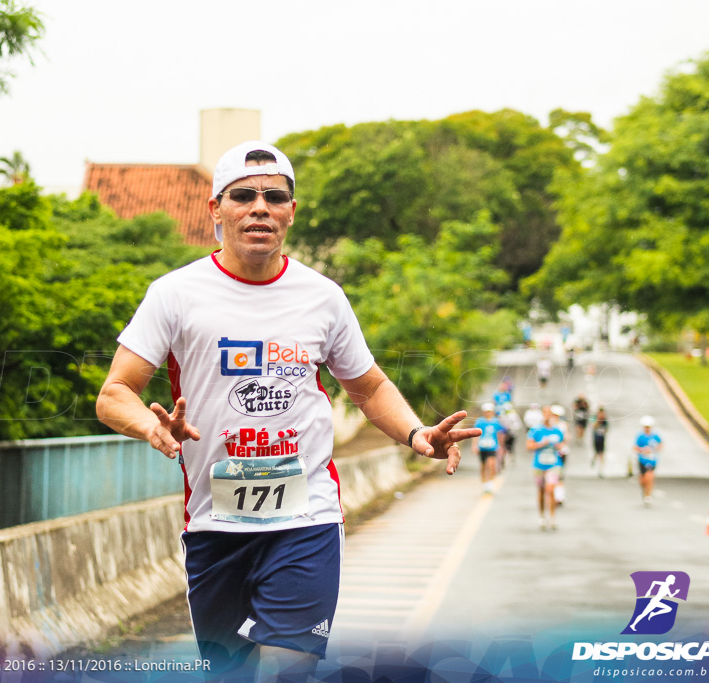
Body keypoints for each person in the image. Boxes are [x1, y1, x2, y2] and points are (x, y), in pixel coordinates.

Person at [95, 141, 480, 681]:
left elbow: (368, 388)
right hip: (215, 525)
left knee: (290, 667)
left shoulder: (323, 297)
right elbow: (114, 394)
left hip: (306, 518)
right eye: (244, 196)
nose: (260, 207)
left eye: (275, 196)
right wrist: (151, 426)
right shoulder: (175, 294)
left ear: (290, 212)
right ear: (216, 209)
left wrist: (416, 433)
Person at [527, 405, 563, 530]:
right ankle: (542, 516)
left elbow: (562, 445)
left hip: (554, 464)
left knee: (550, 489)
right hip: (539, 465)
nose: (547, 416)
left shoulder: (557, 430)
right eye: (545, 413)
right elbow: (529, 446)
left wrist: (559, 446)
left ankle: (553, 516)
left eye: (550, 413)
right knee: (541, 491)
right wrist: (542, 444)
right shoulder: (536, 430)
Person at [474, 402, 505, 494]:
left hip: (492, 447)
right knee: (483, 466)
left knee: (491, 465)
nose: (488, 413)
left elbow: (500, 434)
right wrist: (475, 445)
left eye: (490, 411)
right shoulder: (480, 422)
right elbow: (476, 434)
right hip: (482, 447)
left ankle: (490, 483)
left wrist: (500, 446)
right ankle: (484, 483)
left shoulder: (496, 422)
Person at [634, 415, 663, 507]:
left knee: (649, 477)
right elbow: (635, 447)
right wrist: (642, 450)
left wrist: (655, 449)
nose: (647, 429)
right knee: (642, 480)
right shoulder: (640, 436)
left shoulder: (655, 436)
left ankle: (648, 495)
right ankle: (645, 491)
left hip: (651, 460)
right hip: (642, 460)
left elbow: (660, 444)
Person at [591, 406, 608, 477]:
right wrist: (598, 421)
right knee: (596, 453)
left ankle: (600, 470)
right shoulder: (595, 418)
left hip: (602, 440)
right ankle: (593, 460)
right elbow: (593, 426)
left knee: (601, 455)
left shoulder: (605, 421)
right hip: (596, 440)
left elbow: (607, 430)